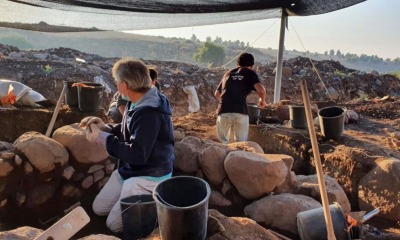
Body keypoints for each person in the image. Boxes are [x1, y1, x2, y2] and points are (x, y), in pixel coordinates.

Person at [80, 58, 174, 232]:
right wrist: (105, 127)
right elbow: (129, 130)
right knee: (98, 209)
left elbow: (138, 155)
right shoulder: (136, 100)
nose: (116, 84)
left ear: (124, 85)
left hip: (149, 175)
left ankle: (156, 207)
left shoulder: (149, 112)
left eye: (116, 81)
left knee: (113, 225)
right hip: (132, 170)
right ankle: (130, 200)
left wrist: (103, 138)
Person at [214, 52, 267, 144]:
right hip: (240, 112)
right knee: (241, 144)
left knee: (222, 144)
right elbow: (261, 90)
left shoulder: (228, 73)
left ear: (237, 64)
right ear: (251, 66)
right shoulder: (250, 73)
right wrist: (262, 100)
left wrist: (227, 101)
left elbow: (217, 94)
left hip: (223, 111)